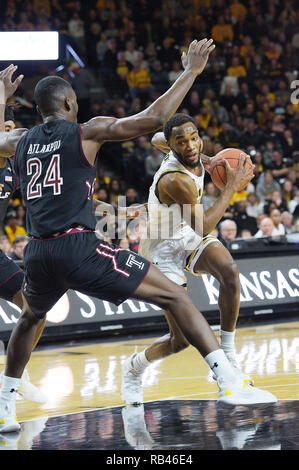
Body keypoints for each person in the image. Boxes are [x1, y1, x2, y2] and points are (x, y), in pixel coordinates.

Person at [0, 45, 276, 433]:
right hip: (79, 247)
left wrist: (0, 97)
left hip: (38, 252)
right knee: (176, 296)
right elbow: (155, 118)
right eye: (74, 102)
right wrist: (191, 72)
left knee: (30, 317)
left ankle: (4, 406)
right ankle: (229, 382)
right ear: (67, 101)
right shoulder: (87, 130)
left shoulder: (22, 140)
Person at [121, 112, 276, 406]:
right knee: (179, 340)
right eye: (182, 142)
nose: (190, 145)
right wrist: (230, 186)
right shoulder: (175, 180)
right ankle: (132, 369)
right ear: (172, 146)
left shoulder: (179, 147)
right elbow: (204, 226)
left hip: (186, 235)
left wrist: (201, 156)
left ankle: (228, 358)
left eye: (194, 138)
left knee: (229, 270)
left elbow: (157, 137)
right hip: (162, 250)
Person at [0, 106, 47, 405]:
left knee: (35, 307)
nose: (9, 132)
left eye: (11, 127)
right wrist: (2, 94)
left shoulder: (13, 170)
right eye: (4, 126)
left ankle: (17, 377)